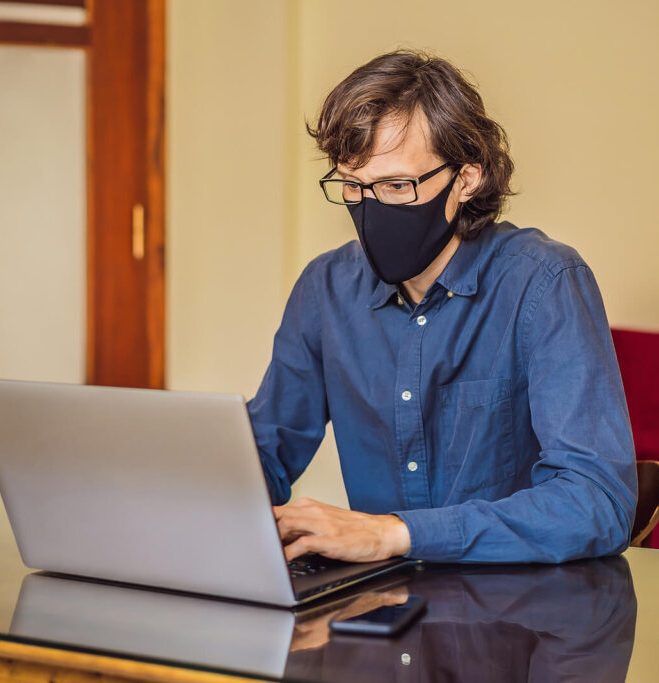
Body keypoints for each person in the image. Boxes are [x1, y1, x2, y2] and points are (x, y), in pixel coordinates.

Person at [248, 50, 637, 564]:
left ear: (466, 179)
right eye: (353, 186)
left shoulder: (543, 283)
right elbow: (265, 456)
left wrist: (394, 534)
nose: (371, 208)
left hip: (518, 619)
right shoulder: (326, 289)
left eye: (396, 186)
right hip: (379, 608)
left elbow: (597, 502)